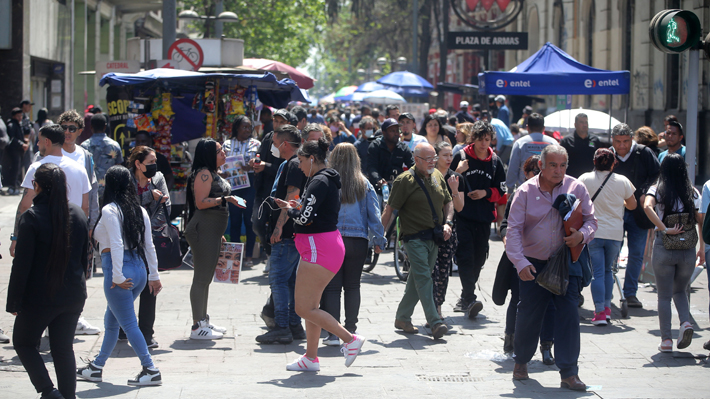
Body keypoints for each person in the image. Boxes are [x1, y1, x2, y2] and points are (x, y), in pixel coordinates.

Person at [506, 145, 597, 390]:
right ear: (541, 166)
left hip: (566, 263)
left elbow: (591, 220)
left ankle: (569, 372)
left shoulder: (576, 187)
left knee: (568, 315)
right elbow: (512, 230)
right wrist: (520, 262)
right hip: (532, 263)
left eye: (563, 165)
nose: (558, 171)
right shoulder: (525, 191)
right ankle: (522, 360)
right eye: (553, 165)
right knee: (528, 314)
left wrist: (582, 236)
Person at [272, 138, 365, 371]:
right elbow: (311, 212)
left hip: (318, 247)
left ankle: (350, 340)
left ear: (312, 159)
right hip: (323, 245)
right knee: (311, 306)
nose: (300, 166)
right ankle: (310, 358)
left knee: (303, 308)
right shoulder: (325, 179)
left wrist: (290, 210)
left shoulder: (319, 181)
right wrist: (294, 207)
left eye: (301, 161)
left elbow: (305, 218)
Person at [8, 164, 89, 399]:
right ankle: (68, 395)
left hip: (40, 297)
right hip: (73, 294)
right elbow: (85, 258)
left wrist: (14, 302)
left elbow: (22, 265)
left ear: (37, 186)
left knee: (23, 343)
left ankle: (48, 391)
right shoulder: (77, 213)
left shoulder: (32, 217)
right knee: (63, 349)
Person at [76, 166, 163, 386]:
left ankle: (150, 368)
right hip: (139, 270)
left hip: (120, 270)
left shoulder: (110, 210)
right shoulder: (139, 210)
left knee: (128, 324)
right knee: (112, 321)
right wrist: (153, 275)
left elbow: (115, 243)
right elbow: (149, 245)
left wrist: (116, 276)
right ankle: (97, 366)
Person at [382, 143, 454, 339]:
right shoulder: (404, 180)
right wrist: (379, 237)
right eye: (428, 159)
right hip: (414, 238)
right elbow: (390, 210)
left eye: (434, 158)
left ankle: (403, 317)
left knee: (416, 279)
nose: (432, 162)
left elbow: (448, 201)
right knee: (424, 278)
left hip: (435, 237)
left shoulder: (438, 175)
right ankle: (435, 321)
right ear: (416, 159)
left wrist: (448, 222)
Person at [320, 143, 386, 345]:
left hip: (333, 239)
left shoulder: (326, 182)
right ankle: (350, 331)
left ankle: (333, 334)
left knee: (331, 287)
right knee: (352, 286)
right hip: (358, 241)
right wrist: (379, 239)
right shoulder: (364, 183)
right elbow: (374, 215)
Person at [643, 153, 704, 352]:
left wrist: (663, 228)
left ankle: (666, 341)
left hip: (664, 248)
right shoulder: (692, 192)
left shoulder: (657, 190)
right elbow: (701, 219)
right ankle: (685, 323)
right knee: (681, 290)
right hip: (687, 249)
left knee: (663, 296)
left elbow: (646, 206)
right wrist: (702, 247)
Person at [498, 155, 556, 362]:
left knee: (549, 303)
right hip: (521, 258)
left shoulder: (556, 193)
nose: (538, 176)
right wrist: (510, 245)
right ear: (526, 173)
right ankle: (511, 340)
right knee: (519, 300)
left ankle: (547, 346)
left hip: (549, 260)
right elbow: (505, 225)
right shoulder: (520, 194)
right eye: (534, 171)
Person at [184, 139, 244, 340]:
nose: (224, 153)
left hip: (212, 231)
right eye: (219, 150)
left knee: (206, 278)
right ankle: (196, 326)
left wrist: (219, 233)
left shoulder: (212, 173)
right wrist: (225, 199)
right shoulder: (204, 174)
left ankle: (203, 321)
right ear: (209, 153)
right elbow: (201, 203)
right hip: (203, 229)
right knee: (201, 278)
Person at [256, 126, 307, 344]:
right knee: (290, 281)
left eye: (275, 143)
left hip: (286, 234)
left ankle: (283, 327)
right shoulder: (292, 163)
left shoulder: (294, 163)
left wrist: (278, 228)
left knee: (278, 281)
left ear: (285, 144)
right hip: (290, 233)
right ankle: (294, 325)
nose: (273, 147)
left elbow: (292, 197)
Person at [450, 121, 506, 318]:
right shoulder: (462, 156)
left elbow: (502, 189)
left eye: (487, 140)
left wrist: (486, 193)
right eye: (480, 139)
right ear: (473, 139)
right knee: (465, 256)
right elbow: (446, 182)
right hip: (463, 215)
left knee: (479, 258)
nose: (484, 144)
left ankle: (465, 297)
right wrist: (458, 172)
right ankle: (470, 297)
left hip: (484, 218)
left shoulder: (495, 161)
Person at [10, 124, 91, 258]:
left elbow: (25, 205)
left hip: (43, 236)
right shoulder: (79, 169)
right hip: (72, 236)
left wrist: (16, 238)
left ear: (46, 142)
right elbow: (85, 207)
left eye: (39, 140)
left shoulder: (36, 168)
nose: (37, 144)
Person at [579, 149, 637, 325]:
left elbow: (576, 202)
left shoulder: (584, 179)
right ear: (613, 163)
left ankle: (599, 313)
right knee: (608, 271)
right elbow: (633, 205)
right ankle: (607, 309)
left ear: (594, 161)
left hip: (593, 232)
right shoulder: (622, 181)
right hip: (615, 234)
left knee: (597, 272)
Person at [122, 146, 171, 348]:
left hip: (150, 240)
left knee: (151, 284)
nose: (154, 166)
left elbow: (165, 206)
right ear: (138, 164)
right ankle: (120, 328)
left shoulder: (158, 178)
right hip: (127, 239)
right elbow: (126, 206)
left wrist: (151, 229)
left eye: (155, 162)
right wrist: (150, 197)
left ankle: (146, 333)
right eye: (150, 162)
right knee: (125, 285)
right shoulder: (126, 180)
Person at [610, 123, 660, 308]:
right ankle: (608, 293)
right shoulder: (608, 154)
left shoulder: (644, 153)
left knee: (636, 254)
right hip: (615, 212)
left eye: (625, 141)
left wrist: (646, 193)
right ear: (612, 141)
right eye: (618, 142)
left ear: (631, 140)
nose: (621, 146)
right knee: (612, 253)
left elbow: (657, 175)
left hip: (639, 213)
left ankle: (630, 293)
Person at [432, 142, 464, 316]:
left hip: (448, 232)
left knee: (443, 272)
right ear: (436, 157)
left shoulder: (456, 178)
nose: (449, 159)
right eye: (445, 155)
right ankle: (432, 309)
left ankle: (438, 306)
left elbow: (459, 208)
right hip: (428, 231)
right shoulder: (428, 176)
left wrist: (454, 190)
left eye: (451, 155)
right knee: (431, 272)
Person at [223, 116, 260, 267]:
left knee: (249, 220)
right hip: (233, 186)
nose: (246, 130)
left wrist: (252, 166)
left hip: (250, 185)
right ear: (236, 128)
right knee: (235, 220)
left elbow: (260, 163)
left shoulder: (256, 144)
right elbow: (222, 162)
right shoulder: (227, 144)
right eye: (243, 127)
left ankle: (249, 256)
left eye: (249, 127)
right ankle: (234, 257)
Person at [506, 113, 557, 193]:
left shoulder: (520, 144)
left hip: (525, 192)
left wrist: (510, 189)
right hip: (549, 193)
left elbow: (513, 168)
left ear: (527, 128)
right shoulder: (553, 144)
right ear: (543, 128)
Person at [366, 118, 415, 196]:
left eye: (397, 130)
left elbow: (412, 166)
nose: (396, 133)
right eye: (392, 131)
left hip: (398, 189)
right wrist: (378, 180)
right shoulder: (375, 146)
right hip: (379, 190)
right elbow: (371, 167)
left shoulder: (403, 148)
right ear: (384, 133)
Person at [80, 113, 123, 198]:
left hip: (90, 191)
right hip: (110, 191)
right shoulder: (114, 145)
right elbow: (119, 169)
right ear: (105, 126)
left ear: (91, 127)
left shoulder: (84, 146)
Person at [560, 114, 602, 179]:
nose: (584, 125)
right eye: (581, 122)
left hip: (590, 179)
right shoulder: (567, 141)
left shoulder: (595, 140)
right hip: (572, 178)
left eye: (586, 122)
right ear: (575, 125)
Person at [2, 108, 28, 195]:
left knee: (18, 168)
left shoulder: (18, 124)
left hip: (18, 150)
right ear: (14, 116)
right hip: (14, 150)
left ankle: (16, 184)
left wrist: (24, 140)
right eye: (18, 116)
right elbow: (12, 138)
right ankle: (12, 186)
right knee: (15, 168)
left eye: (21, 116)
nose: (20, 118)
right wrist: (21, 144)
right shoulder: (12, 125)